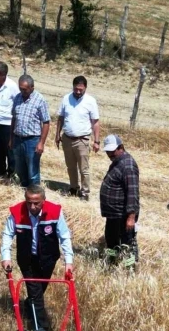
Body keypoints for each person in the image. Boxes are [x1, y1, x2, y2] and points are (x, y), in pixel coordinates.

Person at [1, 184, 73, 331]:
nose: (32, 207)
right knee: (36, 293)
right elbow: (7, 235)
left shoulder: (55, 212)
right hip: (27, 259)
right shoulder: (16, 213)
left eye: (36, 203)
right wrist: (6, 257)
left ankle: (29, 305)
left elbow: (64, 236)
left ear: (44, 201)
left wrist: (69, 261)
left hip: (48, 258)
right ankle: (41, 329)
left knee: (39, 290)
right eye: (29, 202)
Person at [54, 76, 100, 200]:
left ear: (85, 87)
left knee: (84, 168)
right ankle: (74, 187)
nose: (78, 92)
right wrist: (57, 135)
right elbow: (61, 118)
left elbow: (95, 122)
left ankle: (85, 192)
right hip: (67, 139)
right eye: (76, 89)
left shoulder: (90, 101)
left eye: (81, 89)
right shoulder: (66, 98)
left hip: (82, 140)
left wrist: (96, 141)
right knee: (70, 166)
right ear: (73, 86)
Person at [100, 135, 140, 265]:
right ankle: (112, 262)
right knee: (111, 240)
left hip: (123, 214)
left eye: (113, 151)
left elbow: (132, 192)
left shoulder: (127, 165)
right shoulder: (118, 161)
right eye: (108, 152)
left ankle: (130, 267)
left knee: (128, 243)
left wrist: (131, 217)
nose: (110, 154)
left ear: (121, 147)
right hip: (113, 214)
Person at [10, 75, 50, 188]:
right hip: (18, 139)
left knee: (33, 170)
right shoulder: (17, 98)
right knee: (20, 168)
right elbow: (14, 118)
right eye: (20, 88)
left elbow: (46, 122)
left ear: (32, 87)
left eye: (25, 89)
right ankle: (24, 189)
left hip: (32, 140)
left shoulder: (40, 100)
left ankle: (34, 192)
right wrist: (11, 138)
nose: (22, 91)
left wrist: (41, 143)